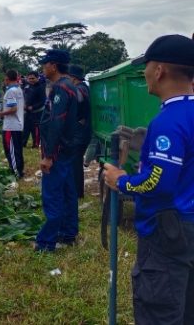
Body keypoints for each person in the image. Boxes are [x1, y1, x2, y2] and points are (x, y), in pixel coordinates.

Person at [104, 34, 194, 324]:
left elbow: (157, 182)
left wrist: (120, 180)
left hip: (168, 229)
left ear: (159, 70)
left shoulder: (169, 120)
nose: (144, 73)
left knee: (160, 308)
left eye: (147, 66)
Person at [35, 49, 79, 252]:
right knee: (68, 192)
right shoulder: (69, 86)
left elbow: (56, 123)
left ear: (53, 65)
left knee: (53, 196)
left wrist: (48, 156)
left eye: (45, 64)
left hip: (58, 151)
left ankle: (46, 242)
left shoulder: (61, 88)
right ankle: (68, 233)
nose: (43, 68)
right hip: (68, 149)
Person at [0, 70, 25, 178]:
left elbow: (13, 109)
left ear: (7, 79)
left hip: (11, 126)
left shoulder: (11, 92)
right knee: (17, 149)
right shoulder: (19, 89)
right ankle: (19, 170)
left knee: (11, 150)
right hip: (18, 124)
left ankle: (16, 172)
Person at [68, 65, 92, 199]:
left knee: (76, 162)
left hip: (80, 132)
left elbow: (77, 99)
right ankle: (77, 191)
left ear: (73, 78)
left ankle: (78, 192)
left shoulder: (80, 89)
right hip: (81, 131)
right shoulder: (83, 88)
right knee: (75, 161)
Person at [22, 71, 46, 148]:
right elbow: (25, 96)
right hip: (27, 112)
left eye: (33, 78)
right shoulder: (27, 86)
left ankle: (35, 145)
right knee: (25, 128)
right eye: (29, 78)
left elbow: (43, 101)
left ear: (37, 78)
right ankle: (23, 143)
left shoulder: (41, 87)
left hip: (37, 112)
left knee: (35, 129)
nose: (31, 80)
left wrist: (33, 107)